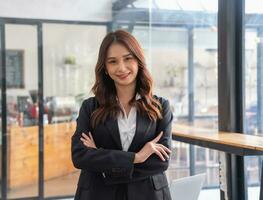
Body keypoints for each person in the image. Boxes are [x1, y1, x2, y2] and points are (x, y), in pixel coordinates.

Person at [71, 29, 173, 200]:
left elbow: (160, 162)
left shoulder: (160, 107)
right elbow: (80, 156)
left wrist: (101, 158)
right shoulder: (90, 107)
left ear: (138, 61)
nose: (121, 68)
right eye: (113, 61)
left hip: (147, 195)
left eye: (128, 59)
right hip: (99, 195)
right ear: (105, 68)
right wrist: (137, 157)